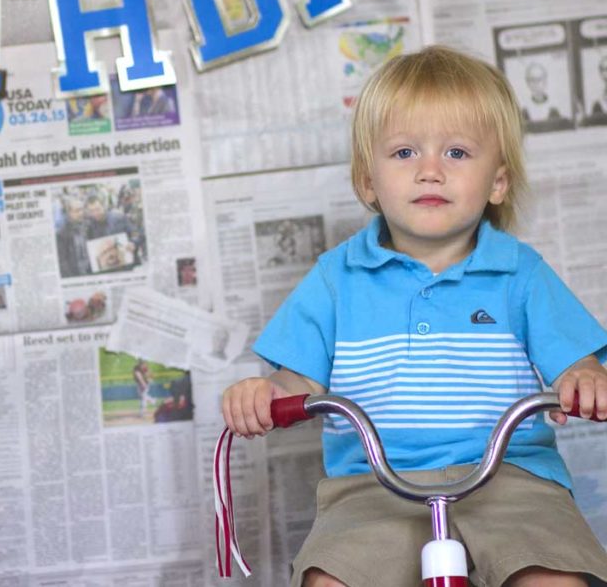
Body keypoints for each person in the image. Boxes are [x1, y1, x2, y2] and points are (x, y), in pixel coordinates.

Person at [222, 45, 607, 587]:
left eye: (456, 153)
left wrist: (584, 376)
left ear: (497, 182)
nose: (430, 171)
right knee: (330, 580)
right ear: (368, 182)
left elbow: (576, 362)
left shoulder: (520, 273)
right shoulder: (337, 279)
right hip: (372, 489)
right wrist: (266, 393)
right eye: (404, 153)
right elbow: (297, 379)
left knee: (553, 577)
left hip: (512, 480)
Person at [55, 195, 91, 277]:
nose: (81, 213)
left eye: (82, 209)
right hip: (76, 275)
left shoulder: (88, 225)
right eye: (77, 211)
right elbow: (62, 261)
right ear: (70, 213)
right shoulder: (62, 234)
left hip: (89, 272)